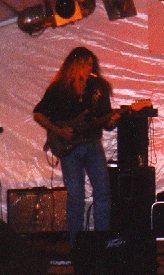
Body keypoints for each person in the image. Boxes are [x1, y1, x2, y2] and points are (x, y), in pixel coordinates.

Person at [33, 47, 117, 248]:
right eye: (84, 63)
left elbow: (104, 119)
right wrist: (59, 131)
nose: (88, 67)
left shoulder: (98, 88)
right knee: (76, 195)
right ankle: (76, 245)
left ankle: (102, 240)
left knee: (103, 191)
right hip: (69, 148)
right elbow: (39, 113)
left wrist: (112, 121)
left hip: (92, 144)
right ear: (73, 64)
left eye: (90, 63)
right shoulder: (60, 88)